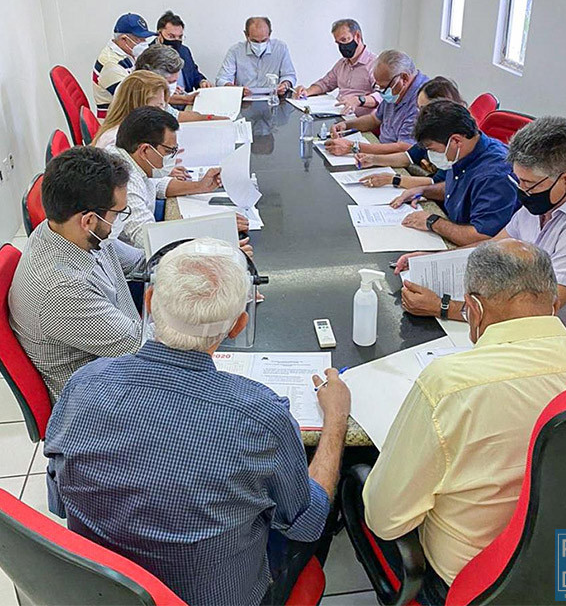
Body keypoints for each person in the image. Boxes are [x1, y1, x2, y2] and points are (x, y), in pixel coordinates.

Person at [44, 238, 351, 606]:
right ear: (238, 325)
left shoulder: (83, 383)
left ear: (150, 301)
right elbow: (305, 520)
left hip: (102, 585)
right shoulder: (260, 415)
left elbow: (59, 500)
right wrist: (336, 419)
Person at [362, 240, 566, 604]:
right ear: (554, 302)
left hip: (484, 584)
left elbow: (386, 519)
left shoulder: (450, 385)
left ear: (473, 310)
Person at [395, 116, 566, 346]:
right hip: (531, 327)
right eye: (518, 180)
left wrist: (442, 306)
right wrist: (433, 259)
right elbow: (495, 247)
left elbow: (536, 312)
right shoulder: (549, 196)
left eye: (528, 184)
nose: (521, 191)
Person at [9, 147, 144, 400]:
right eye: (117, 214)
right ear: (89, 220)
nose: (119, 222)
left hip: (121, 354)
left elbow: (140, 262)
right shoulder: (61, 289)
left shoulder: (67, 230)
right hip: (100, 400)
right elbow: (142, 347)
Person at [391, 99, 519, 246]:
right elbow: (460, 188)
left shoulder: (494, 176)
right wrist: (424, 190)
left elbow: (481, 237)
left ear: (456, 141)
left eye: (433, 149)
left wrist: (432, 221)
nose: (432, 155)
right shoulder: (465, 151)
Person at [107, 107, 233, 250]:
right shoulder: (125, 182)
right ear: (144, 150)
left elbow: (157, 185)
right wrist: (217, 232)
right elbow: (149, 238)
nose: (173, 156)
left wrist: (200, 186)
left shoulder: (128, 157)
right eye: (169, 151)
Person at [354, 77, 466, 190]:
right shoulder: (432, 131)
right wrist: (374, 159)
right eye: (418, 109)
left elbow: (438, 182)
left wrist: (393, 179)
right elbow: (409, 156)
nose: (419, 115)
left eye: (424, 110)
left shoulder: (458, 141)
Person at [324, 50, 428, 157]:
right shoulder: (396, 89)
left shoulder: (421, 100)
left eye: (384, 87)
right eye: (378, 86)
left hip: (402, 160)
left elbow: (404, 147)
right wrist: (346, 125)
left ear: (404, 78)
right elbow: (375, 119)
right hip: (381, 148)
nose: (382, 92)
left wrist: (353, 147)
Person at [293, 19, 381, 116]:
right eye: (338, 43)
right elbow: (325, 83)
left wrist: (359, 100)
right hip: (339, 115)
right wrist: (306, 91)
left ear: (357, 36)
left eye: (344, 40)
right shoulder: (342, 63)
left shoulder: (374, 64)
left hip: (360, 120)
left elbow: (381, 96)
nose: (342, 47)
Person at [134, 44, 226, 121]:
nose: (173, 86)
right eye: (170, 82)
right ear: (151, 77)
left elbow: (176, 116)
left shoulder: (157, 98)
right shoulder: (134, 99)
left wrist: (212, 118)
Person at [93, 13, 156, 119]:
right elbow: (134, 100)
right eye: (139, 39)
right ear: (123, 39)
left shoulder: (128, 53)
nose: (144, 43)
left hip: (130, 115)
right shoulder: (111, 64)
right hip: (117, 122)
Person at [215, 17, 297, 96]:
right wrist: (236, 89)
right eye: (255, 41)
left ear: (270, 34)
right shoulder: (235, 51)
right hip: (244, 100)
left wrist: (285, 84)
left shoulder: (280, 48)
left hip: (273, 98)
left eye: (264, 40)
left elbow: (289, 75)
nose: (260, 44)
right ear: (246, 35)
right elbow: (222, 79)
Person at [93, 71, 170, 149]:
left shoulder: (139, 133)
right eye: (157, 108)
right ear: (136, 108)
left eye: (162, 106)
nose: (162, 113)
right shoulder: (115, 141)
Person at [156, 10, 213, 92]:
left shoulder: (184, 51)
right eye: (171, 36)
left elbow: (194, 74)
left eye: (180, 37)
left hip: (186, 99)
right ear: (159, 34)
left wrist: (202, 81)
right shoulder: (148, 54)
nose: (176, 40)